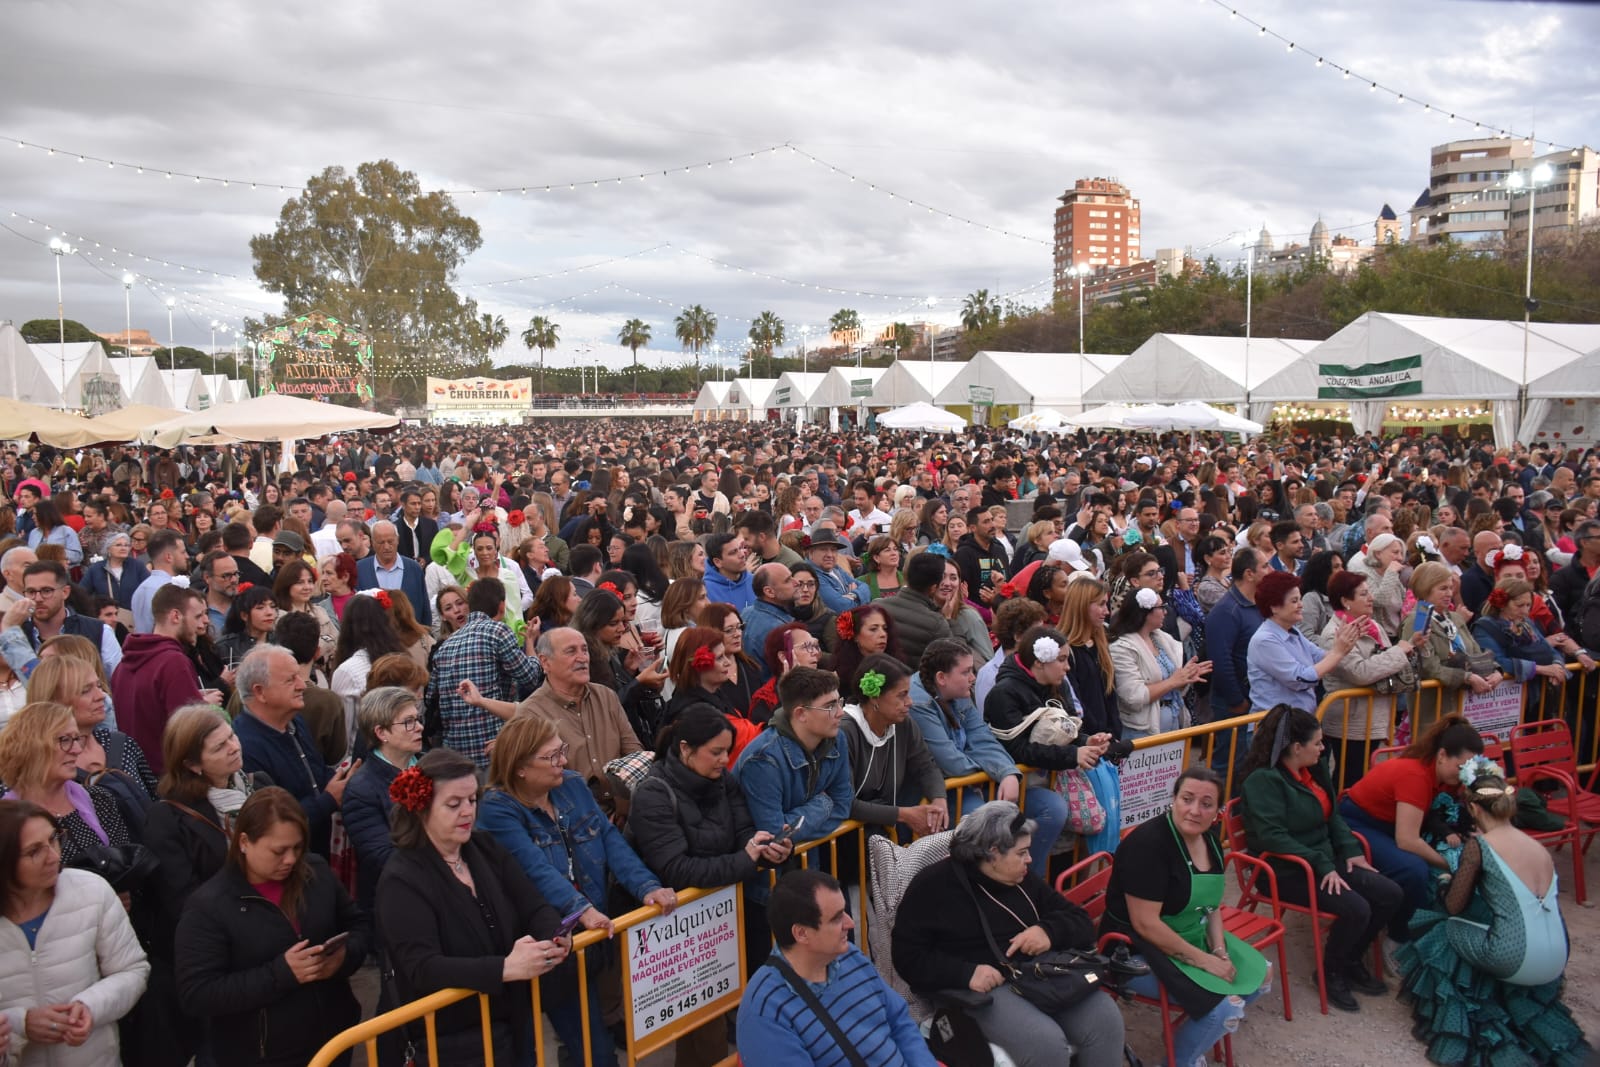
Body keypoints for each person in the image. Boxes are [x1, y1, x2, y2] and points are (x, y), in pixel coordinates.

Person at [477, 717, 676, 1064]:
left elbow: (609, 838)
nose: (564, 763)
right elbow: (533, 868)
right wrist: (581, 910)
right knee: (589, 1048)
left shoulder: (571, 785)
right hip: (548, 943)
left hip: (589, 932)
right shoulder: (497, 809)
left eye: (562, 752)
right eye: (552, 757)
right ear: (521, 767)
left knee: (588, 1040)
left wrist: (647, 887)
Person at [376, 748, 579, 1066]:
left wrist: (554, 934)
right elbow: (422, 968)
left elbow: (533, 904)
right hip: (449, 1041)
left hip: (509, 1025)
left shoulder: (483, 847)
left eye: (472, 800)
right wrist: (504, 969)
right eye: (453, 804)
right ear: (421, 808)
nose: (467, 812)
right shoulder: (402, 879)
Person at [892, 800, 1127, 1067]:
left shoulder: (1022, 879)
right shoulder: (934, 886)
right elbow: (907, 957)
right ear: (993, 852)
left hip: (1037, 973)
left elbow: (1080, 922)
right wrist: (965, 973)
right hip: (984, 989)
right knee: (1045, 1045)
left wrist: (1048, 932)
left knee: (1106, 1020)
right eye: (1022, 852)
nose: (1030, 859)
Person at [1395, 759, 1591, 1066]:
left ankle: (1458, 1019)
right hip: (1556, 958)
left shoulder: (1480, 846)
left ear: (1473, 810)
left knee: (1441, 928)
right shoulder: (1538, 847)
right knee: (1487, 923)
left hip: (1514, 955)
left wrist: (1447, 882)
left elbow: (1454, 905)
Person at [174, 787, 369, 1067]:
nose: (290, 859)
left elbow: (358, 925)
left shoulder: (315, 872)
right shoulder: (208, 907)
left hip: (334, 1041)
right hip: (261, 1055)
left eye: (297, 848)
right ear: (244, 842)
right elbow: (197, 994)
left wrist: (344, 957)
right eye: (278, 851)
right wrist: (281, 974)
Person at [1102, 767, 1270, 1067]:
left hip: (1191, 935)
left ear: (1217, 812)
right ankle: (1181, 1060)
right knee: (1225, 1007)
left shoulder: (1210, 842)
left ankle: (1186, 1033)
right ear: (1173, 800)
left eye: (1206, 804)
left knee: (1261, 976)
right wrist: (1206, 962)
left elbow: (1212, 906)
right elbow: (1145, 924)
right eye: (1187, 799)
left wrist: (1219, 951)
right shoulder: (1148, 846)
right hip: (1135, 950)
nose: (1194, 811)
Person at [1239, 705, 1403, 1012]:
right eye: (1317, 742)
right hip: (1285, 870)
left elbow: (1333, 817)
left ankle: (1352, 957)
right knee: (1357, 908)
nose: (1323, 747)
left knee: (1389, 894)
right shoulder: (1262, 781)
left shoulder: (1312, 771)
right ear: (1296, 747)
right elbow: (1271, 836)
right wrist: (1322, 862)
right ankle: (1330, 973)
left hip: (1320, 860)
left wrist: (1351, 850)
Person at [0, 798, 150, 1066]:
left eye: (54, 839)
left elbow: (132, 970)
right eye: (34, 851)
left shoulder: (90, 891)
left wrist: (90, 1006)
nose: (54, 856)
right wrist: (20, 1024)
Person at [739, 868, 937, 1067]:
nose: (850, 923)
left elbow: (899, 1022)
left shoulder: (851, 956)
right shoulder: (765, 1012)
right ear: (801, 933)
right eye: (836, 918)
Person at [1339, 715, 1486, 943]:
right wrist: (1455, 864)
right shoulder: (1415, 776)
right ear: (1442, 755)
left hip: (1389, 824)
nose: (1465, 775)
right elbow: (1407, 840)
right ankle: (1401, 940)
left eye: (1470, 769)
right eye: (1461, 767)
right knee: (1414, 870)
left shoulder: (1449, 777)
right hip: (1358, 824)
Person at [232, 645, 358, 858]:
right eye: (290, 680)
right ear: (259, 692)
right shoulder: (243, 746)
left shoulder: (294, 721)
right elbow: (272, 822)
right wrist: (328, 800)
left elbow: (314, 773)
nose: (302, 685)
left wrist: (347, 780)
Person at [1317, 569, 1426, 787]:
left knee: (1369, 775)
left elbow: (1386, 661)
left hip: (1376, 716)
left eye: (1369, 593)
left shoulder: (1372, 625)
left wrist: (1410, 646)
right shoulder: (1334, 634)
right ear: (1346, 601)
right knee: (1350, 778)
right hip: (1351, 721)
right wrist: (1398, 652)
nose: (1371, 598)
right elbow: (1361, 672)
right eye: (1364, 594)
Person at [425, 578, 543, 769]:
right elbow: (530, 676)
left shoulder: (445, 646)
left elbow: (431, 699)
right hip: (492, 750)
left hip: (455, 754)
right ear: (502, 606)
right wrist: (530, 642)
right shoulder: (497, 631)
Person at [0, 701, 132, 867]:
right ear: (32, 746)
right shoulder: (7, 820)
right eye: (65, 740)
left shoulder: (99, 799)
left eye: (76, 739)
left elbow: (125, 871)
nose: (76, 749)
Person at [733, 666, 855, 842]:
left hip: (805, 856)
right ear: (801, 714)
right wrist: (824, 803)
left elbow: (843, 806)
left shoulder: (837, 739)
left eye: (839, 702)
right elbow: (775, 836)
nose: (840, 712)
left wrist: (795, 830)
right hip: (766, 867)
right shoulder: (763, 760)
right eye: (830, 706)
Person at [838, 654, 948, 839]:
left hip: (883, 831)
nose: (910, 702)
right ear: (875, 698)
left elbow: (926, 766)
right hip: (845, 840)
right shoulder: (844, 732)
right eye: (901, 695)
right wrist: (904, 815)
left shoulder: (903, 723)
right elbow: (846, 803)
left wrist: (939, 799)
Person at [340, 686, 424, 914]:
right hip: (400, 903)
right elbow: (383, 857)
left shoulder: (431, 767)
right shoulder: (361, 790)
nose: (420, 727)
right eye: (408, 722)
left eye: (417, 719)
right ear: (381, 733)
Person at [1401, 562, 1503, 741]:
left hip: (1464, 708)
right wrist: (1466, 677)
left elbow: (1475, 651)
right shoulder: (1419, 619)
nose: (1449, 593)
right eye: (1442, 588)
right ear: (1426, 589)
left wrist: (1496, 671)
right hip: (1435, 710)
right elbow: (1429, 667)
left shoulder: (1454, 618)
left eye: (1450, 588)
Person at [1246, 570, 1359, 715]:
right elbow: (1300, 678)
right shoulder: (1264, 640)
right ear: (1274, 607)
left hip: (1300, 721)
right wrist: (1337, 652)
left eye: (1300, 599)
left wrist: (1345, 643)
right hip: (1277, 728)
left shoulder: (1293, 631)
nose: (1301, 605)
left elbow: (1320, 658)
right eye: (1294, 601)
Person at [1109, 587, 1211, 740]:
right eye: (1161, 607)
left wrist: (1186, 677)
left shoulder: (1162, 639)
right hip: (1143, 730)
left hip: (1173, 722)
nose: (1166, 612)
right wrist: (1172, 681)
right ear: (1145, 613)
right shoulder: (1122, 648)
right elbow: (1133, 697)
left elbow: (1174, 685)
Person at [877, 551, 954, 668]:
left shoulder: (877, 606)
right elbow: (952, 659)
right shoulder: (937, 624)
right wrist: (948, 620)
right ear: (933, 588)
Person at [274, 558, 339, 667]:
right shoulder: (279, 617)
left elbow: (338, 641)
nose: (307, 587)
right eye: (300, 582)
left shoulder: (320, 611)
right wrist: (326, 642)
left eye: (310, 581)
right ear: (286, 585)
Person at [213, 582, 278, 669]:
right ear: (244, 615)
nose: (269, 612)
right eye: (260, 608)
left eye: (272, 606)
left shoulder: (282, 642)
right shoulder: (226, 647)